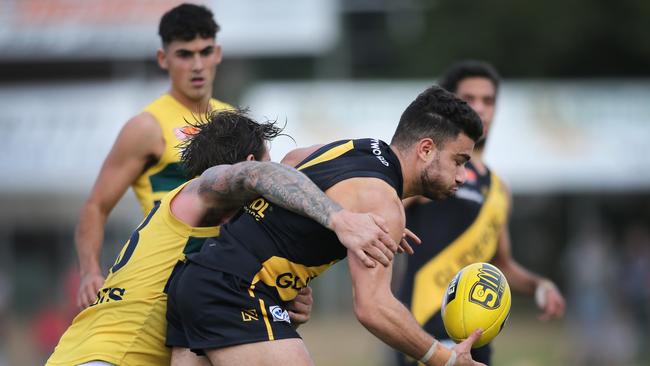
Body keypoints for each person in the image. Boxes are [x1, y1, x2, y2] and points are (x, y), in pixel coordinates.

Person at [47, 110, 402, 366]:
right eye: (271, 164)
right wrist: (339, 217)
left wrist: (280, 302)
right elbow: (257, 176)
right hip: (108, 357)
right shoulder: (199, 193)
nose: (277, 183)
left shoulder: (229, 241)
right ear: (249, 163)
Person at [166, 85, 488, 366]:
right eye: (458, 161)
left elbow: (291, 163)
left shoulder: (358, 149)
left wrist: (290, 265)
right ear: (427, 149)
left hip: (197, 278)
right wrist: (443, 358)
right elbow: (373, 308)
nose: (462, 176)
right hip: (234, 290)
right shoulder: (385, 204)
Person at [395, 60, 566, 365]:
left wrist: (540, 284)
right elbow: (384, 211)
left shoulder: (500, 190)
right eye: (469, 100)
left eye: (488, 100)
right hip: (424, 339)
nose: (480, 108)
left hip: (477, 340)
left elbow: (501, 265)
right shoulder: (430, 169)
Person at [75, 3, 233, 308]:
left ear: (218, 53)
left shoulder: (234, 122)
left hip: (231, 277)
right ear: (164, 59)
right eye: (185, 54)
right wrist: (89, 272)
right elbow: (95, 206)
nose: (197, 65)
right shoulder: (147, 127)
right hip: (168, 282)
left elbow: (262, 209)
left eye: (205, 51)